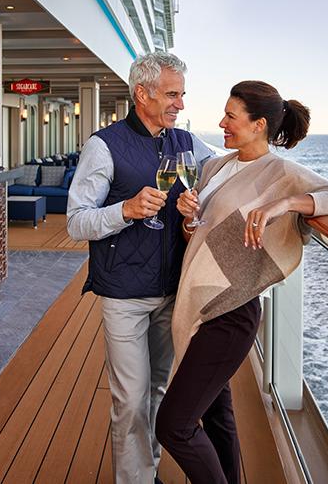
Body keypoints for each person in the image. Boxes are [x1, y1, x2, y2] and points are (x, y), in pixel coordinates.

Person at [155, 81, 328, 484]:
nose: (222, 124)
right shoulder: (215, 166)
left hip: (232, 312)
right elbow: (197, 236)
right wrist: (188, 218)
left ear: (259, 124)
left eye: (231, 117)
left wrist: (286, 203)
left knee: (174, 425)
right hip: (197, 302)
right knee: (216, 414)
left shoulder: (282, 173)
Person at [67, 51, 214, 483]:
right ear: (142, 93)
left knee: (159, 391)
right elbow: (77, 223)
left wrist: (197, 206)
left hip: (172, 290)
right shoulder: (103, 145)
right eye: (172, 95)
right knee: (130, 400)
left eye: (182, 95)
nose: (180, 104)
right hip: (124, 294)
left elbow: (226, 173)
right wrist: (125, 210)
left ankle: (146, 472)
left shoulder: (186, 143)